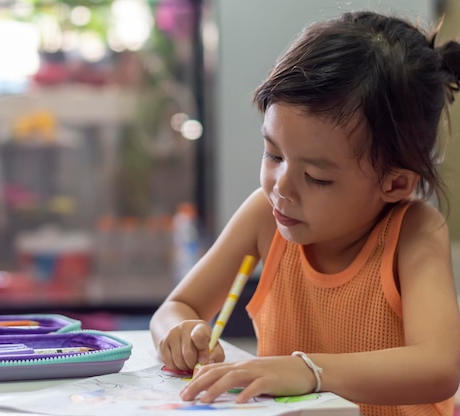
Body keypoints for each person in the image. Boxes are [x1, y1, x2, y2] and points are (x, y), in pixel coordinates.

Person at [149, 10, 460, 416]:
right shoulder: (266, 214)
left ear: (395, 184)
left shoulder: (414, 232)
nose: (281, 186)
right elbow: (176, 307)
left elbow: (438, 368)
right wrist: (180, 332)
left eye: (316, 177)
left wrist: (308, 370)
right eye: (274, 154)